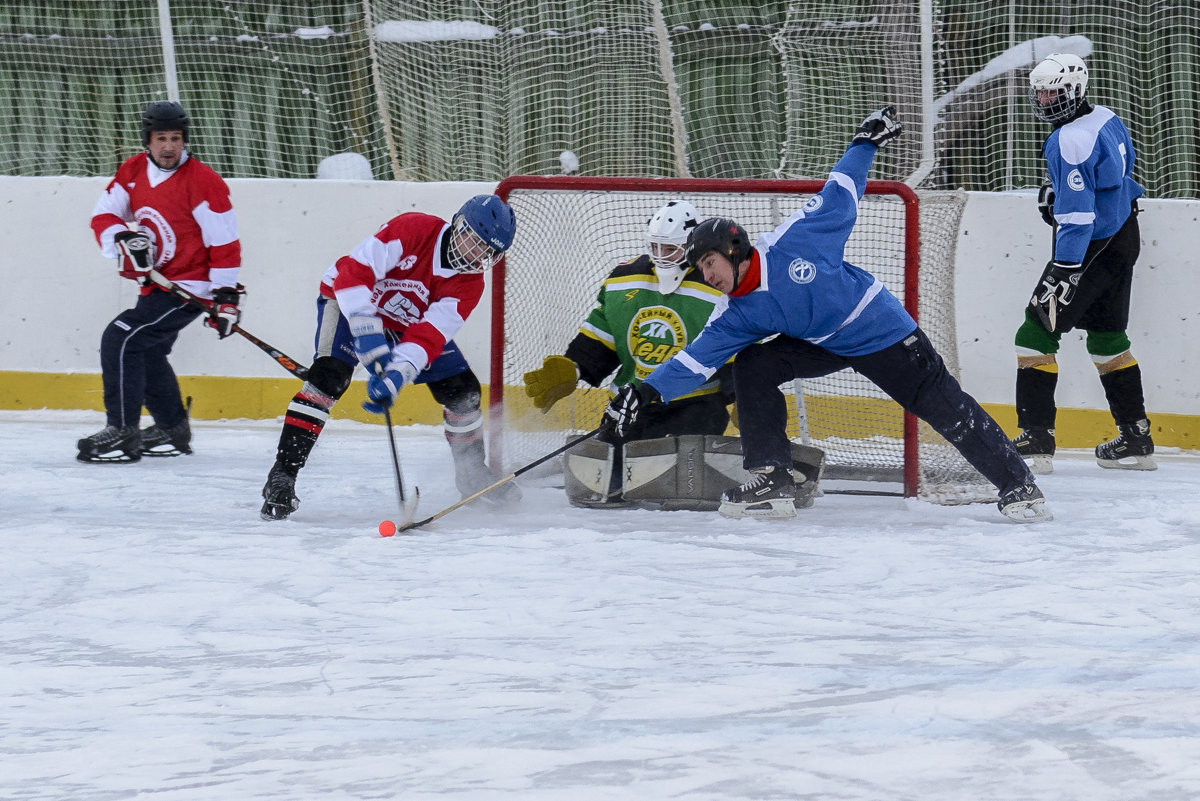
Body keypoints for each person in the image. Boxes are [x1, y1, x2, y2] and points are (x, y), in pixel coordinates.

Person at [598, 107, 1051, 523]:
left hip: (882, 333)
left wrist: (864, 142)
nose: (706, 275)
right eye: (699, 269)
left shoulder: (797, 242)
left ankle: (1019, 487)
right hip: (825, 343)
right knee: (754, 364)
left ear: (733, 251)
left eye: (709, 264)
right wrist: (642, 393)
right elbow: (696, 361)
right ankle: (773, 479)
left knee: (942, 407)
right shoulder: (736, 312)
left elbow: (841, 189)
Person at [260, 194, 517, 521]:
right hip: (347, 299)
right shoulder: (414, 229)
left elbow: (429, 336)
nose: (477, 255)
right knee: (329, 377)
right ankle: (283, 474)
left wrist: (398, 374)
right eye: (475, 242)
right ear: (460, 225)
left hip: (405, 324)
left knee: (463, 391)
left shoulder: (470, 284)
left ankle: (471, 473)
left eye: (488, 251)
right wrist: (368, 334)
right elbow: (353, 275)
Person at [521, 200, 734, 506]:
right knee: (608, 483)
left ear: (691, 248)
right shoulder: (624, 280)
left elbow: (737, 350)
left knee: (678, 477)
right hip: (631, 405)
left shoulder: (716, 285)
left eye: (670, 249)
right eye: (655, 248)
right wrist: (573, 369)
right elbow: (602, 340)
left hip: (695, 406)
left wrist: (743, 395)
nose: (661, 258)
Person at [1013, 53, 1154, 473]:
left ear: (1074, 89)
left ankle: (1036, 440)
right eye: (1039, 91)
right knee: (1108, 338)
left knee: (1033, 334)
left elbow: (1077, 215)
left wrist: (1064, 265)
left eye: (1053, 91)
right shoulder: (1107, 117)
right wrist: (1062, 197)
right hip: (1124, 235)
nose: (1044, 99)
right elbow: (1112, 181)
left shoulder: (1067, 139)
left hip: (1089, 246)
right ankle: (1136, 439)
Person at [79, 100, 242, 463]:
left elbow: (225, 242)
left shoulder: (203, 182)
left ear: (184, 140)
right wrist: (122, 237)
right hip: (156, 285)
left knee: (120, 337)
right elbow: (104, 214)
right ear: (147, 141)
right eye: (160, 138)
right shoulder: (134, 171)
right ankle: (171, 426)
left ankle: (122, 429)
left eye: (175, 138)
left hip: (189, 289)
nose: (169, 146)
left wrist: (225, 295)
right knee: (147, 349)